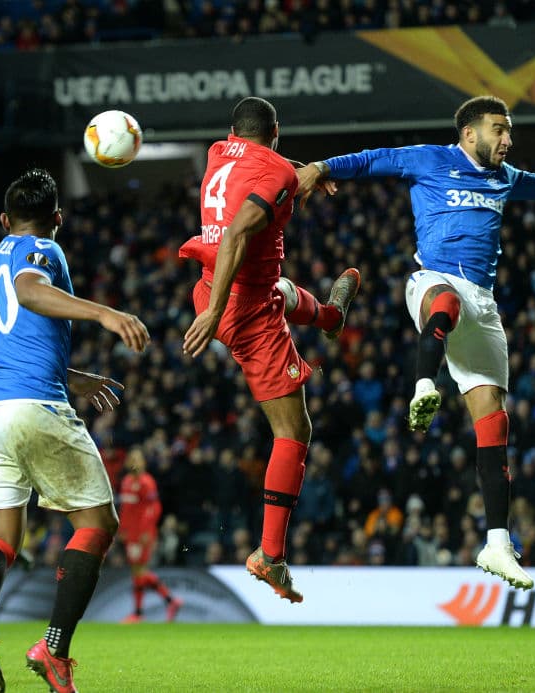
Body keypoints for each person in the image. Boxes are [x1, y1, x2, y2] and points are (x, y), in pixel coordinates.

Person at [296, 95, 535, 590]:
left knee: (494, 423)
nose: (508, 139)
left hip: (485, 306)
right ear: (470, 133)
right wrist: (321, 167)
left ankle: (497, 543)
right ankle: (422, 386)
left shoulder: (505, 177)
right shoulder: (430, 158)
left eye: (509, 131)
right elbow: (371, 159)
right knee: (445, 305)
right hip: (432, 282)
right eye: (500, 129)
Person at [0, 168, 150, 693]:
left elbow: (13, 339)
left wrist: (75, 377)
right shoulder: (41, 248)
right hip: (33, 407)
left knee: (2, 535)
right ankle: (55, 648)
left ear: (3, 219)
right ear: (57, 219)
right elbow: (32, 293)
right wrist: (106, 314)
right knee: (98, 521)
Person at [179, 96, 361, 603]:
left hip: (213, 284)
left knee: (279, 287)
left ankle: (328, 315)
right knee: (294, 430)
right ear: (276, 130)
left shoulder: (219, 151)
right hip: (241, 308)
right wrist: (214, 313)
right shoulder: (276, 171)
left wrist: (301, 170)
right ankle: (270, 554)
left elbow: (267, 165)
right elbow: (238, 231)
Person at [117, 446, 183, 623]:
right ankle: (170, 601)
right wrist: (122, 530)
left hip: (143, 533)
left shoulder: (147, 482)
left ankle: (139, 613)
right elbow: (125, 509)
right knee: (137, 572)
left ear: (144, 462)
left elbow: (154, 508)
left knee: (139, 571)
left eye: (138, 459)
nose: (135, 462)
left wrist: (146, 531)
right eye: (132, 459)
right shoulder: (126, 482)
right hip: (130, 533)